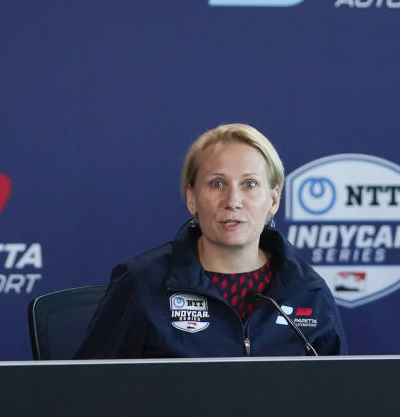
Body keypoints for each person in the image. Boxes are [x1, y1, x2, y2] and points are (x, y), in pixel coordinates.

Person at [75, 123, 347, 358]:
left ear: (273, 200)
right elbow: (88, 393)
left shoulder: (309, 291)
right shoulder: (141, 283)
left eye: (250, 184)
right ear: (192, 198)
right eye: (217, 184)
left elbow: (340, 400)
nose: (233, 201)